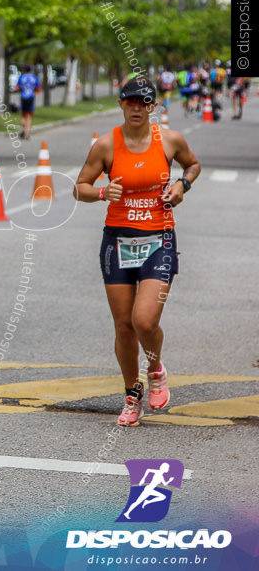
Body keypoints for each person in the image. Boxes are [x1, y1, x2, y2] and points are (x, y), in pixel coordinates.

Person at [73, 76, 200, 427]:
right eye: (130, 101)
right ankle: (132, 394)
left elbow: (193, 165)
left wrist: (181, 184)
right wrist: (101, 193)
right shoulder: (106, 145)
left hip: (160, 239)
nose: (137, 108)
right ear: (120, 103)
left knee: (144, 320)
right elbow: (78, 187)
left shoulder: (169, 140)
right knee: (124, 327)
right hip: (117, 241)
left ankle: (156, 368)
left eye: (144, 102)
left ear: (154, 106)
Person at [16, 65, 40, 140]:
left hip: (23, 97)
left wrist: (21, 89)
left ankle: (23, 129)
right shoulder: (34, 77)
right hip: (31, 98)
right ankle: (27, 133)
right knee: (29, 116)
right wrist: (35, 94)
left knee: (23, 115)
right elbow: (38, 88)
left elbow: (16, 87)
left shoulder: (22, 77)